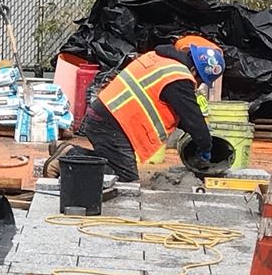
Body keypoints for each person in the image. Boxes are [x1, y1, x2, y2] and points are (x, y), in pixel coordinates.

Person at [77, 34, 230, 186]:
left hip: (105, 118)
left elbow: (181, 113)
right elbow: (192, 116)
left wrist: (200, 135)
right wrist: (205, 145)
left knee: (114, 165)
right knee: (125, 181)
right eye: (201, 80)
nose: (197, 83)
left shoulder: (159, 60)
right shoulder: (178, 77)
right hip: (110, 125)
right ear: (195, 71)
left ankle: (70, 155)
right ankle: (69, 157)